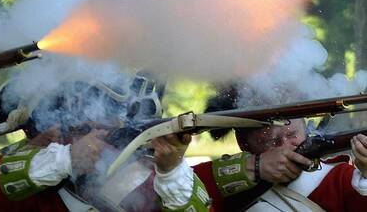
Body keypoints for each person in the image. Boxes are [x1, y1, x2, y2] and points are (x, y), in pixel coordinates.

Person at [0, 74, 212, 212]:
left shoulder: (146, 178)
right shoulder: (38, 173)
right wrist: (66, 160)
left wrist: (171, 171)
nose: (109, 127)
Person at [154, 87, 367, 211]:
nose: (285, 148)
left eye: (292, 135)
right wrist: (253, 168)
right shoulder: (210, 182)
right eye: (273, 142)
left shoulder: (342, 179)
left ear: (305, 127)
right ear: (244, 144)